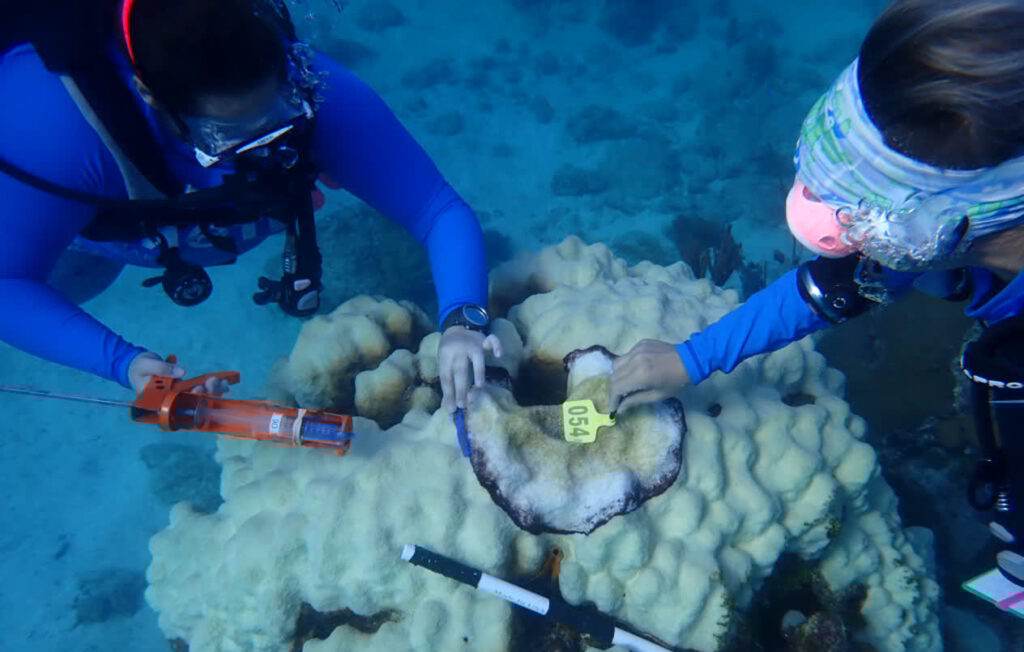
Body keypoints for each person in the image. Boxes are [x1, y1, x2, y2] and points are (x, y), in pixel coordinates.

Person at [609, 0, 1024, 584]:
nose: (824, 226)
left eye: (861, 210)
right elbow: (824, 291)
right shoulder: (935, 234)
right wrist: (689, 359)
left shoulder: (933, 232)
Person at [0, 0, 500, 409]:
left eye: (282, 112)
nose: (266, 145)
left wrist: (462, 321)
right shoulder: (53, 130)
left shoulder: (313, 86)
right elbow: (7, 285)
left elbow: (437, 209)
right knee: (76, 280)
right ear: (149, 97)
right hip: (88, 234)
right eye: (226, 134)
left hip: (157, 222)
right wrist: (124, 362)